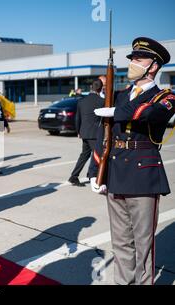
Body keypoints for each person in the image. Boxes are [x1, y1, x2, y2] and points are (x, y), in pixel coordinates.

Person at [90, 37, 174, 285]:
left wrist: (117, 112)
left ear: (153, 66)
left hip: (143, 175)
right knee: (121, 242)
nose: (133, 63)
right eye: (132, 58)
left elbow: (150, 113)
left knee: (143, 243)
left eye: (139, 59)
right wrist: (97, 171)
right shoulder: (118, 96)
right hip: (115, 172)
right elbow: (102, 135)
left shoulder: (165, 97)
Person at [68, 79, 104, 186]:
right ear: (101, 88)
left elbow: (77, 118)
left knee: (85, 155)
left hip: (84, 133)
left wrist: (78, 131)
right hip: (95, 134)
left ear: (91, 87)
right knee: (99, 155)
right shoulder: (102, 101)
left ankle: (74, 177)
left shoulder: (81, 101)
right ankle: (94, 176)